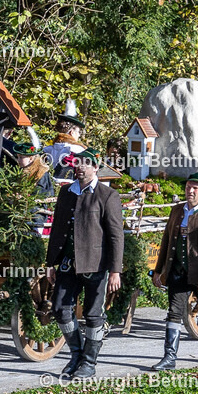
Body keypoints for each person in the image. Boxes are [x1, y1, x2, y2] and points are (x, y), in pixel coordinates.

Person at [45, 148, 124, 379]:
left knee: (92, 315)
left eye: (85, 164)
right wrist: (50, 263)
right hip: (68, 263)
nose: (79, 167)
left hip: (96, 265)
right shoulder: (67, 192)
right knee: (60, 308)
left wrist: (115, 270)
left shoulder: (107, 196)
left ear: (96, 167)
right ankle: (77, 354)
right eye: (77, 163)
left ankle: (89, 363)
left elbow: (116, 236)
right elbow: (57, 230)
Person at [151, 172, 198, 370]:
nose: (190, 191)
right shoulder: (177, 211)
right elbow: (167, 241)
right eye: (188, 187)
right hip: (178, 271)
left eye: (195, 188)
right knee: (174, 313)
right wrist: (158, 270)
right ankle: (169, 358)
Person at [42, 98, 87, 181]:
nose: (79, 135)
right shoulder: (77, 150)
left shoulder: (47, 150)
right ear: (72, 132)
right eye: (78, 132)